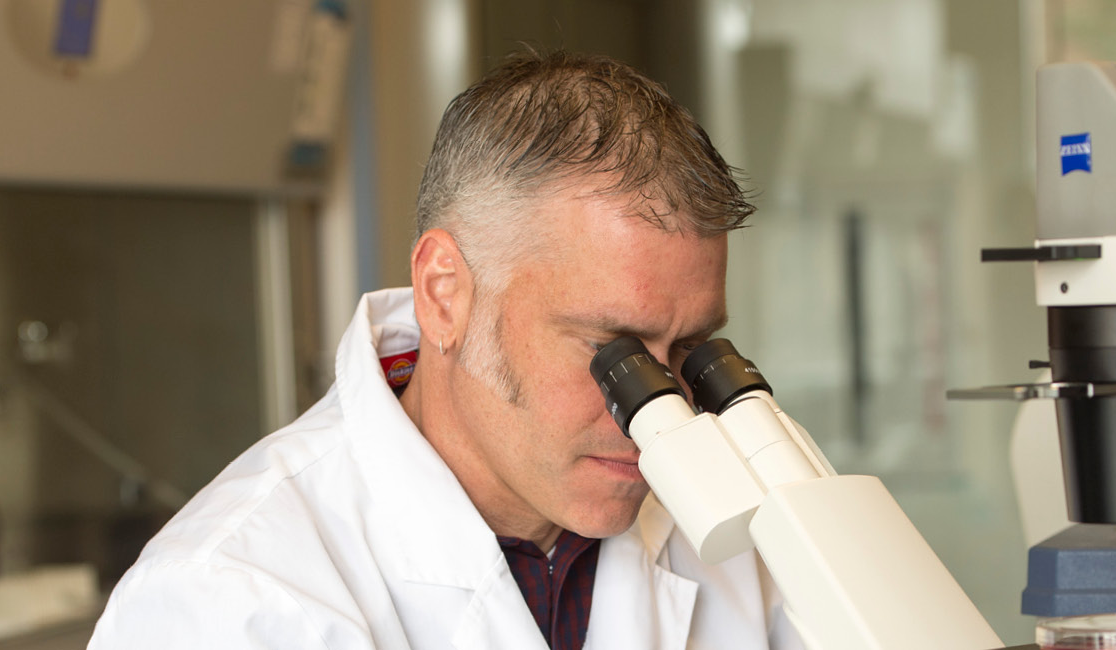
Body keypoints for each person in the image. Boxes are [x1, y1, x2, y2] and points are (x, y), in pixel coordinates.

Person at [88, 51, 802, 649]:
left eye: (690, 348)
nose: (658, 410)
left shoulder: (747, 530)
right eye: (612, 347)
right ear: (444, 295)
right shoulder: (229, 600)